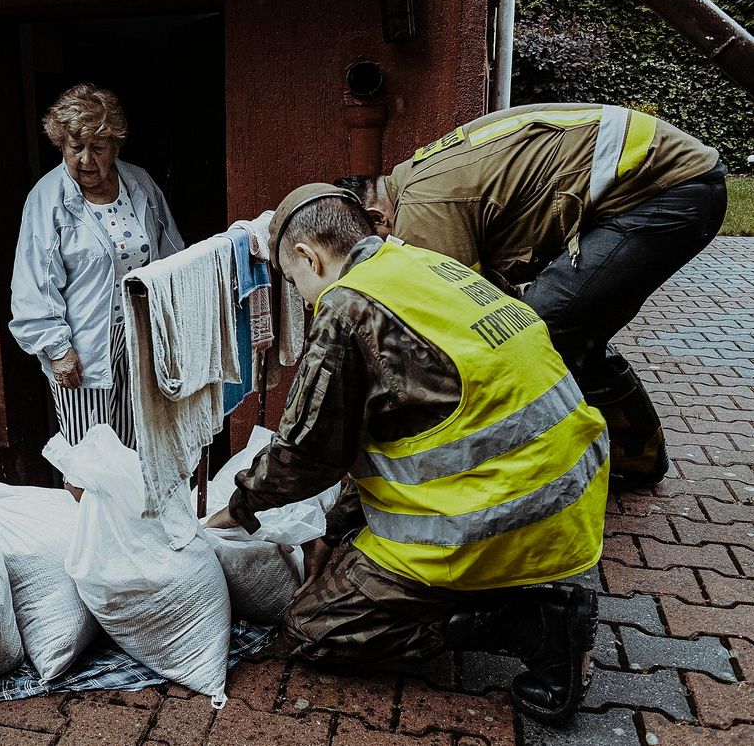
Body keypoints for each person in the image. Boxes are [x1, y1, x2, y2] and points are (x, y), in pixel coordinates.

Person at [206, 183, 610, 724]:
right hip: (569, 485)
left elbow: (307, 453)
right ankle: (496, 598)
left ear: (308, 256)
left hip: (504, 512)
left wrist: (237, 508)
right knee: (351, 554)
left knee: (314, 628)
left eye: (293, 279)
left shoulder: (347, 309)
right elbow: (390, 434)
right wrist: (333, 530)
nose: (301, 298)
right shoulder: (418, 265)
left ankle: (530, 624)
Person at [334, 103, 728, 489]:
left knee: (539, 329)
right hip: (660, 178)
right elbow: (485, 293)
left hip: (668, 187)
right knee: (566, 326)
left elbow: (461, 321)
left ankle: (621, 454)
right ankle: (636, 451)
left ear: (375, 217)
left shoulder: (422, 212)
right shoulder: (416, 180)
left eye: (367, 253)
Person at [9, 83, 184, 449]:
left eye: (98, 148)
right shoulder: (47, 199)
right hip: (83, 349)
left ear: (116, 147)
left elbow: (172, 256)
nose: (86, 160)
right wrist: (57, 349)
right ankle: (87, 510)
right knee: (89, 458)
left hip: (141, 341)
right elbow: (34, 285)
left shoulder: (140, 184)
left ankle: (130, 511)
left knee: (138, 448)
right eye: (75, 148)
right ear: (61, 145)